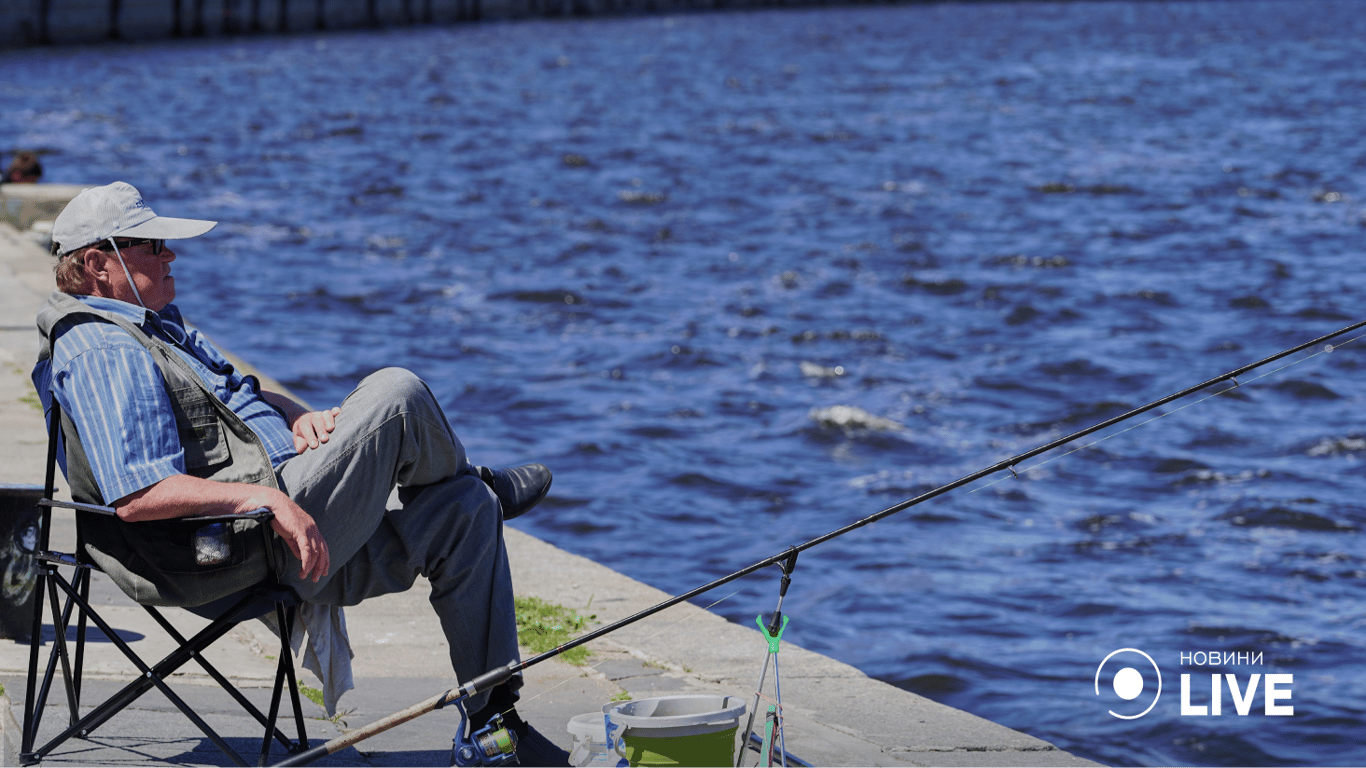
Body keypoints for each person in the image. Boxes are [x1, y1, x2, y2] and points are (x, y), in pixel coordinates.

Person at [32, 181, 569, 765]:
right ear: (97, 264)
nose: (171, 256)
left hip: (286, 526)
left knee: (466, 511)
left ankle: (494, 725)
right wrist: (270, 501)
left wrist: (294, 414)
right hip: (229, 548)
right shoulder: (103, 350)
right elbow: (138, 493)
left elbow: (234, 395)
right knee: (397, 394)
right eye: (153, 246)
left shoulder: (154, 325)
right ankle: (476, 478)